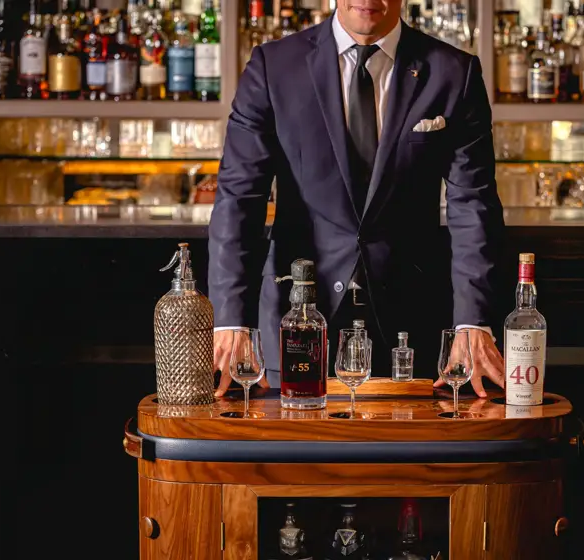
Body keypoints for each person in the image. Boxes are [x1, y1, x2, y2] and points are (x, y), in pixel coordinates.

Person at [210, 0, 505, 397]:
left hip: (412, 325)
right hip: (295, 320)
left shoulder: (454, 72)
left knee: (410, 458)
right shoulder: (273, 67)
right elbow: (238, 198)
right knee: (291, 456)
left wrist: (473, 321)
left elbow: (474, 204)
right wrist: (231, 320)